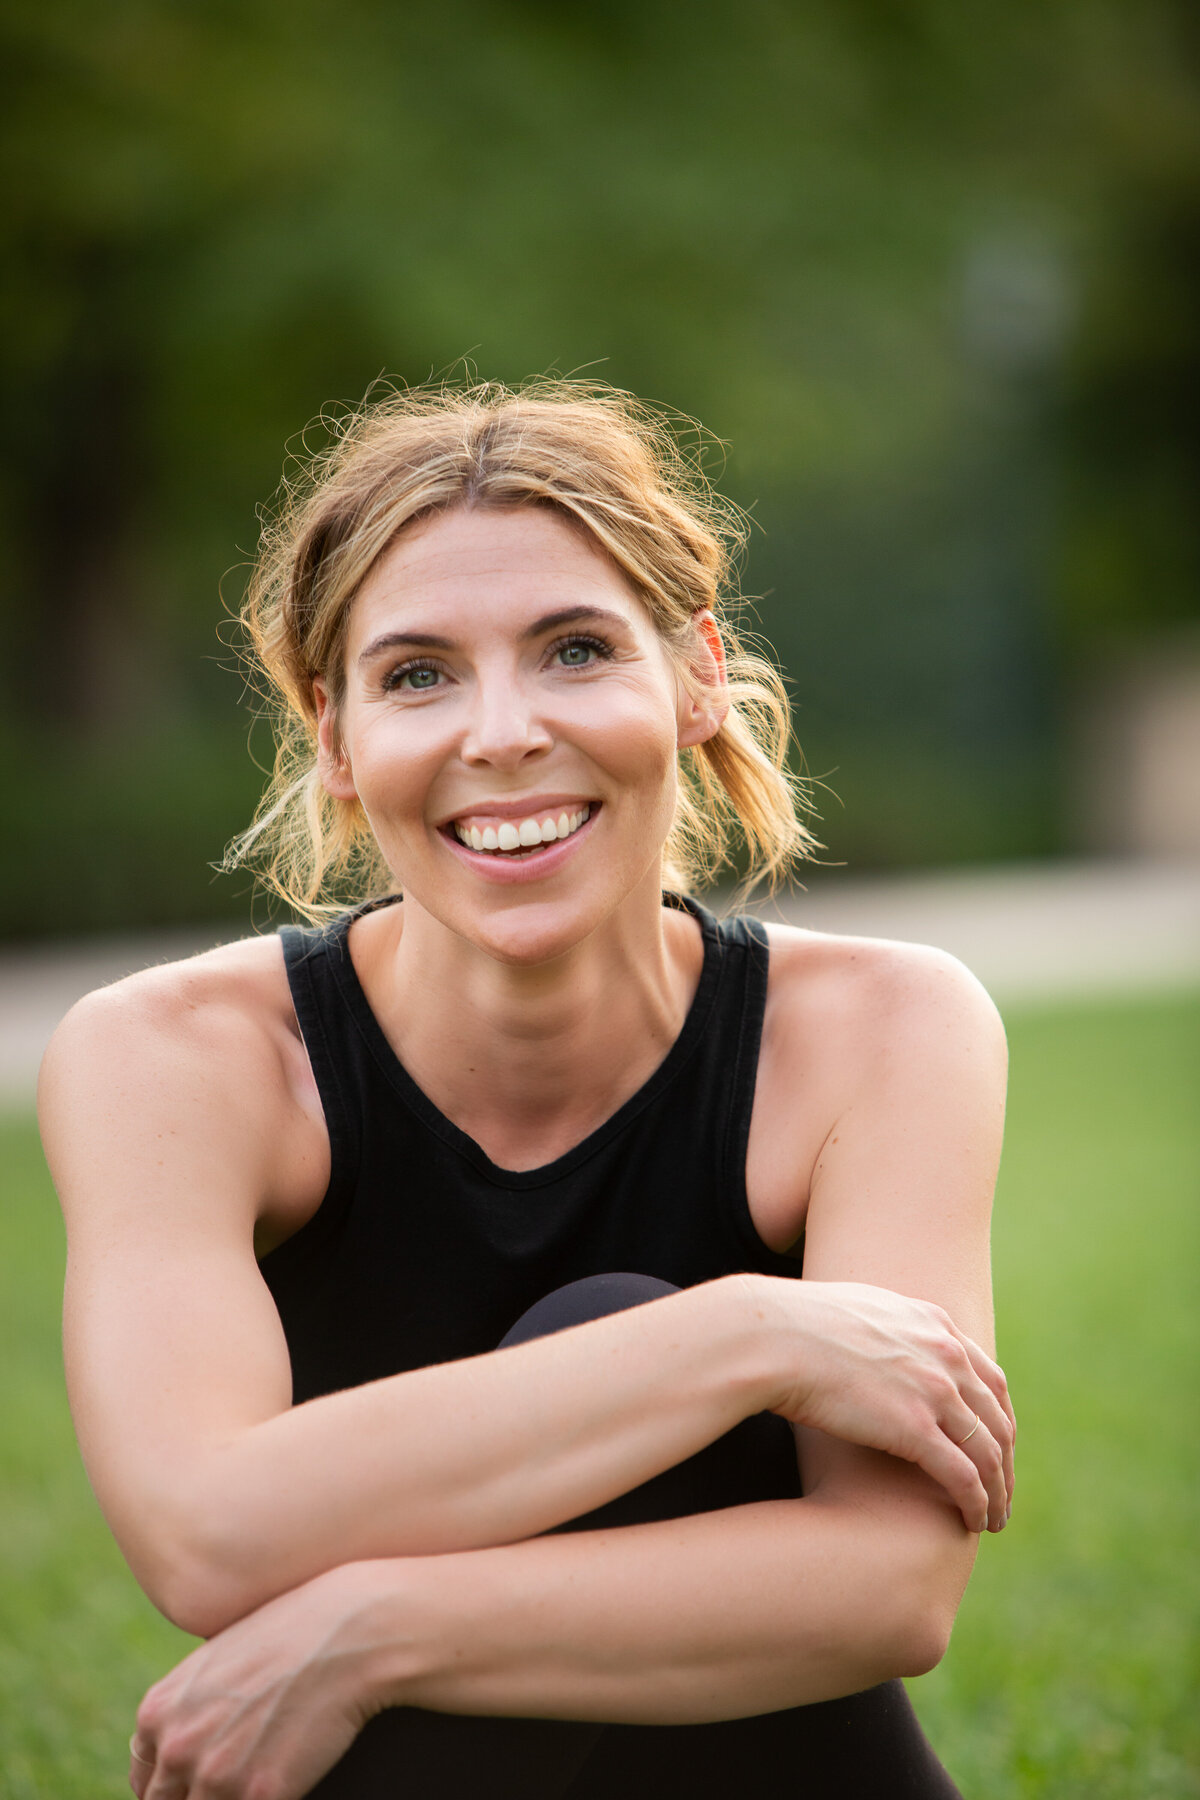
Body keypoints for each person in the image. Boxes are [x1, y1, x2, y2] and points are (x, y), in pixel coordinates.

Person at [38, 380, 1014, 1800]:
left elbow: (890, 1591)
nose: (501, 732)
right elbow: (202, 1537)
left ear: (693, 678)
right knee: (630, 1327)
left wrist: (372, 1629)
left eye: (573, 649)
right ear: (334, 736)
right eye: (418, 674)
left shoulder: (885, 1029)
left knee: (601, 1318)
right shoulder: (175, 1059)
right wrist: (747, 1336)